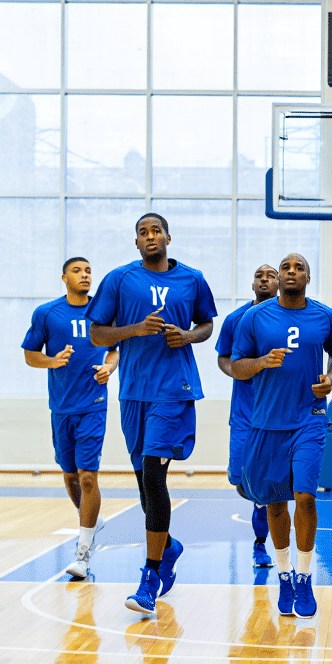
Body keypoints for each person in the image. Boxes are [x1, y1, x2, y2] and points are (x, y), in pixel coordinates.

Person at [86, 212, 217, 615]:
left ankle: (150, 577)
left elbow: (207, 325)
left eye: (156, 230)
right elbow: (97, 333)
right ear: (136, 242)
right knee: (145, 484)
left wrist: (187, 335)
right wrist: (134, 329)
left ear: (168, 237)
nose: (150, 236)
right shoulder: (119, 279)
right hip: (133, 393)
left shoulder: (192, 279)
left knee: (154, 475)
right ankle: (169, 547)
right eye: (143, 232)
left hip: (174, 390)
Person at [231, 253, 332, 617]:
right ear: (278, 278)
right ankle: (284, 574)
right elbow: (237, 366)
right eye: (285, 268)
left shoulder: (326, 316)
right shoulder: (254, 318)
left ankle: (305, 577)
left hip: (309, 419)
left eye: (299, 268)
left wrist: (331, 378)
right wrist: (262, 362)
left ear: (308, 277)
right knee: (276, 503)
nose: (291, 272)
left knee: (305, 496)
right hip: (267, 423)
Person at [22, 257, 119, 579]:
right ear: (64, 277)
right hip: (62, 407)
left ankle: (83, 552)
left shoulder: (102, 313)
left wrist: (109, 367)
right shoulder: (47, 313)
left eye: (88, 270)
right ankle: (89, 519)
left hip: (94, 404)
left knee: (88, 476)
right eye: (77, 271)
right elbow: (30, 355)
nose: (84, 275)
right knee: (70, 476)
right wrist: (52, 361)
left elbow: (115, 350)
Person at [216, 263, 278, 569]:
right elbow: (223, 357)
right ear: (252, 284)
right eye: (258, 276)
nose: (264, 280)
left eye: (270, 275)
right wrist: (239, 371)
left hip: (277, 414)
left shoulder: (288, 319)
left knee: (272, 483)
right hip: (244, 413)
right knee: (240, 480)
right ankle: (258, 502)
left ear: (279, 284)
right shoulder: (235, 319)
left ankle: (261, 544)